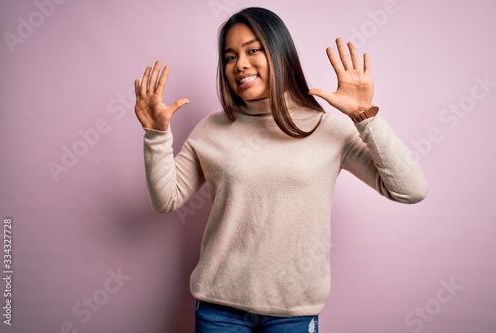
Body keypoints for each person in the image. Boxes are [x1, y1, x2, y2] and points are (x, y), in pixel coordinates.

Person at [134, 7, 428, 333]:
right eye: (230, 57)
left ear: (280, 52)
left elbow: (410, 189)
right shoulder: (212, 129)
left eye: (253, 50)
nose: (240, 64)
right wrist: (157, 135)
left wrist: (364, 115)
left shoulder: (326, 128)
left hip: (293, 313)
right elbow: (167, 199)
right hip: (219, 310)